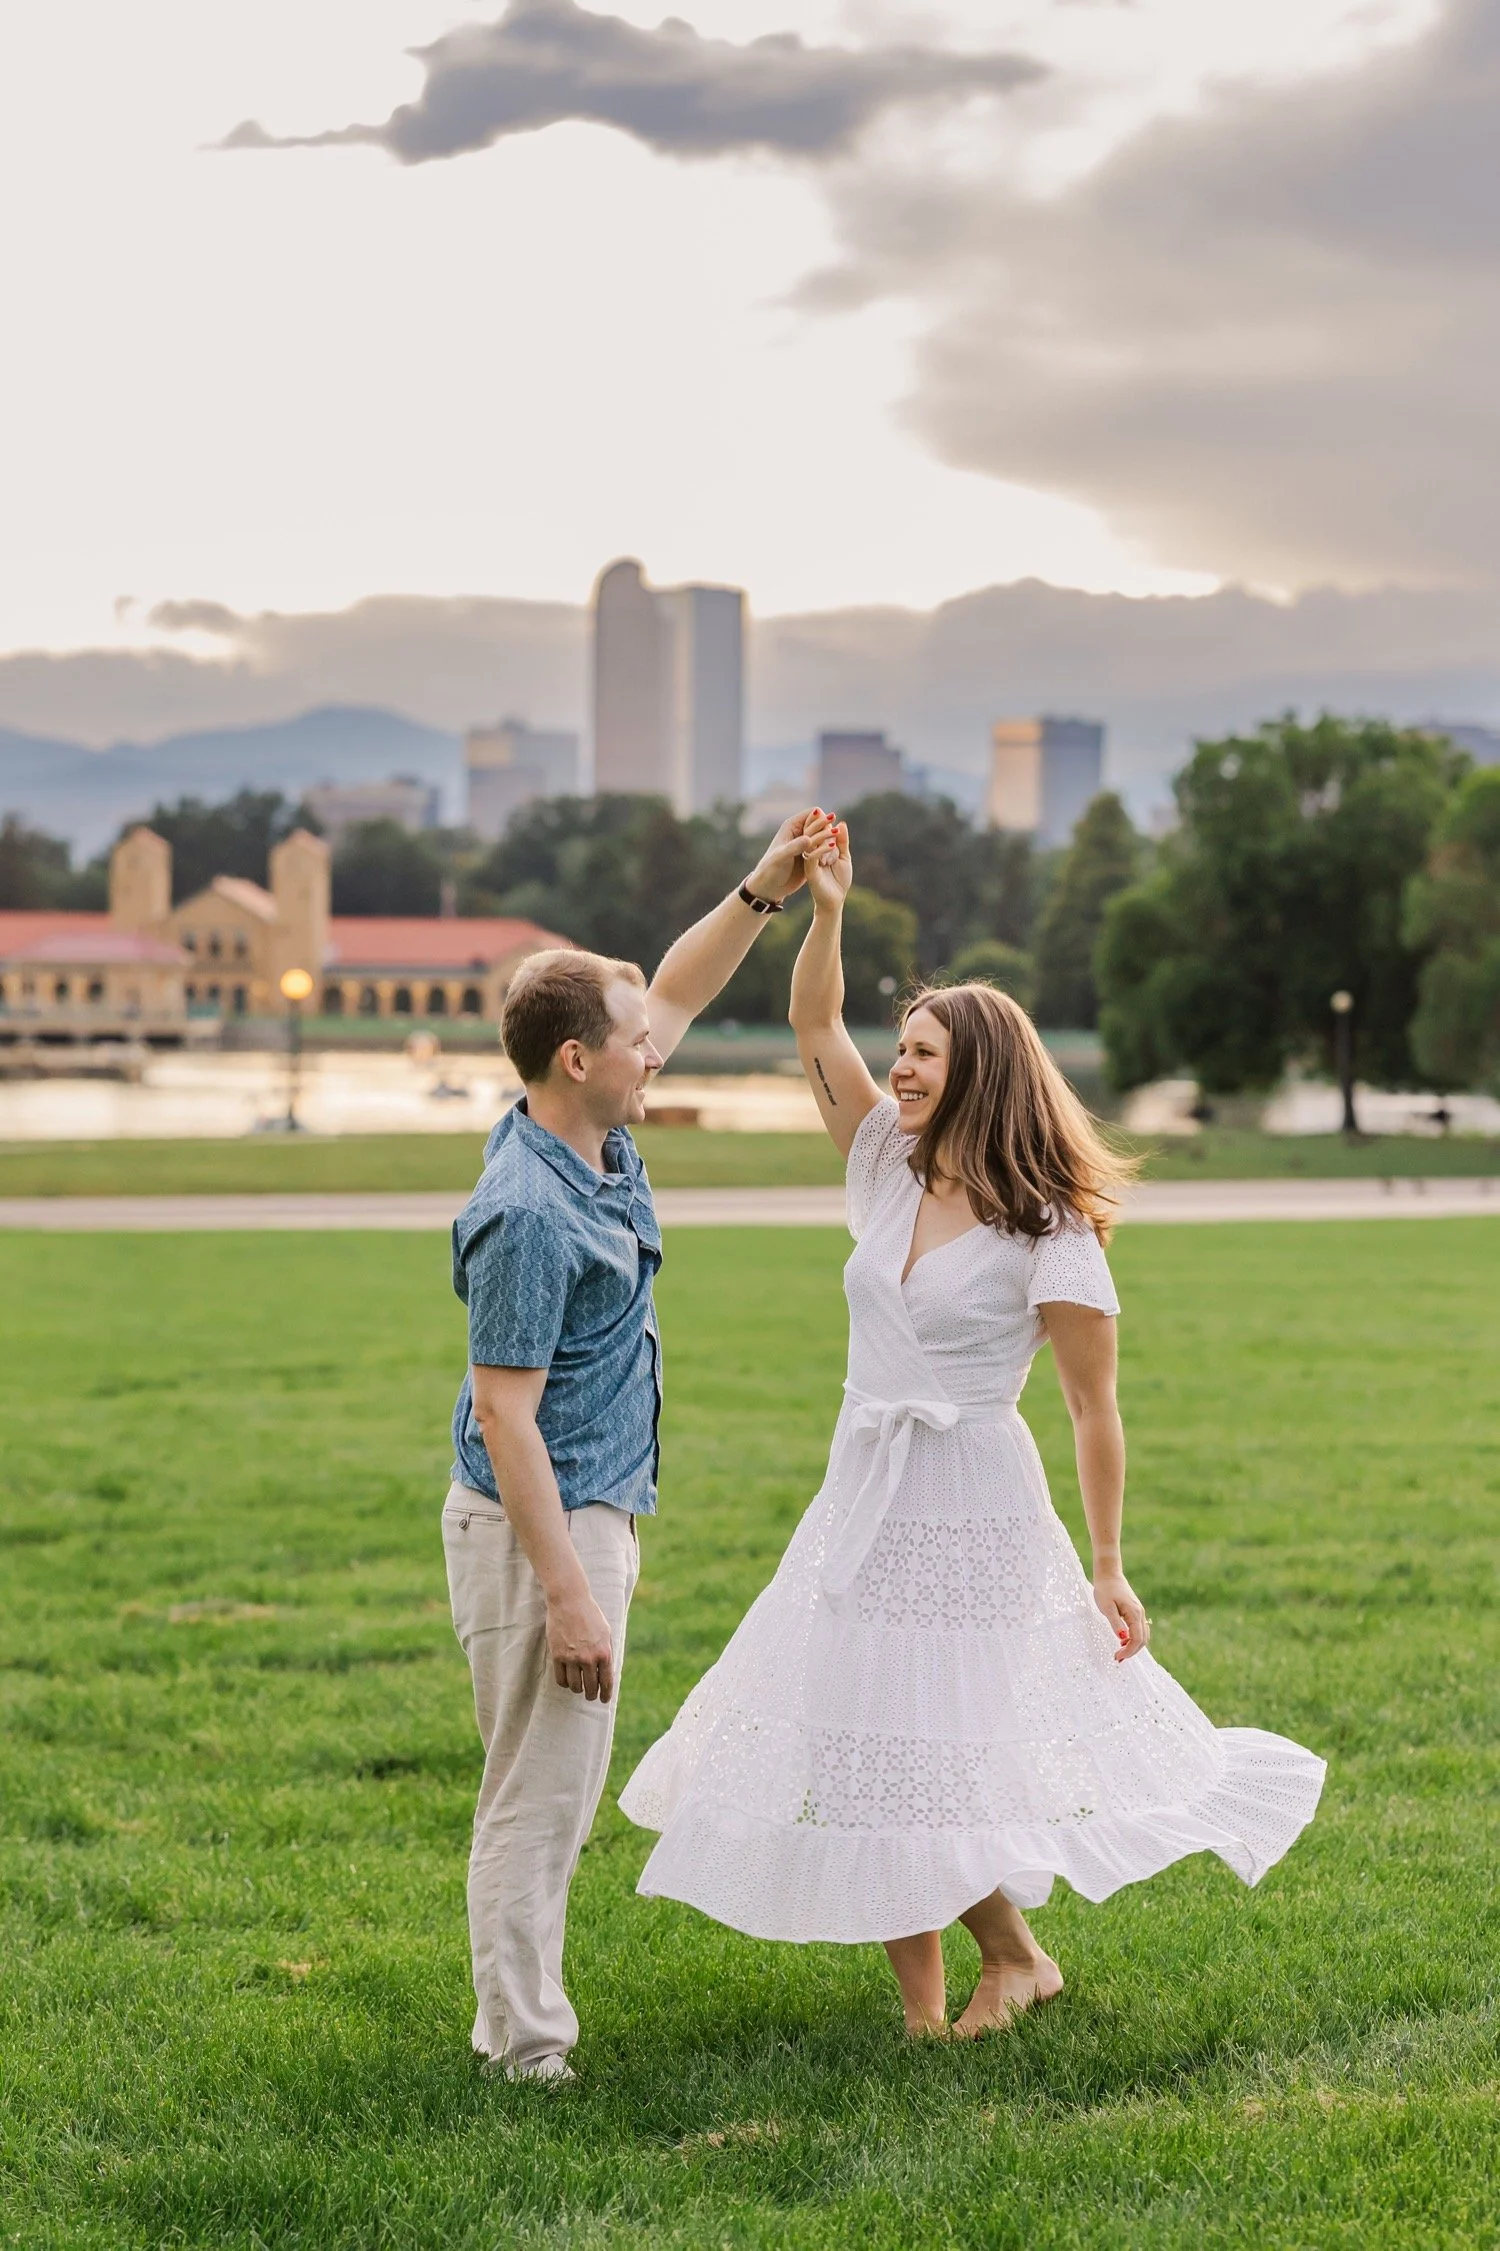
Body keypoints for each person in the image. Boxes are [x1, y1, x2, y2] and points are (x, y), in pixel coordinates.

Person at [620, 816, 1326, 2037]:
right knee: (860, 1741)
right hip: (865, 1483)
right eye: (900, 1049)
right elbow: (811, 1025)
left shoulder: (1046, 1224)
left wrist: (1107, 1564)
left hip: (974, 1498)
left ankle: (1003, 1965)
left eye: (926, 1053)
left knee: (929, 1745)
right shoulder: (887, 1161)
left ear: (983, 1068)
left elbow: (1094, 1406)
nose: (899, 1070)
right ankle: (952, 1984)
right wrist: (827, 912)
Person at [443, 811, 825, 2082]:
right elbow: (505, 1417)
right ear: (574, 1058)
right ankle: (526, 2054)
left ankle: (514, 2031)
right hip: (534, 1526)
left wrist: (761, 892)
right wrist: (567, 1597)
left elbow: (672, 985)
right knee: (539, 1798)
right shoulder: (528, 1212)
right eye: (632, 1043)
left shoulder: (590, 1136)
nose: (654, 1049)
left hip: (586, 1508)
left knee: (547, 1788)